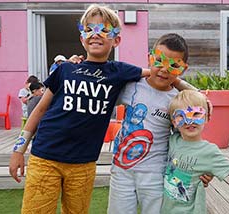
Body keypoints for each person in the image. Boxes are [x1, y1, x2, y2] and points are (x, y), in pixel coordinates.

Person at [9, 4, 153, 213]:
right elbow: (39, 110)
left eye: (104, 30)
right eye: (89, 30)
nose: (96, 35)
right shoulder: (65, 68)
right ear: (82, 38)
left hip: (83, 163)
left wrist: (191, 91)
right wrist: (18, 151)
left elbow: (158, 73)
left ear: (117, 40)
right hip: (45, 157)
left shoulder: (119, 71)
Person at [108, 33, 211, 214]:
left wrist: (199, 166)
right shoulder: (131, 85)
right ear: (150, 58)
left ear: (183, 69)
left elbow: (188, 137)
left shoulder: (177, 100)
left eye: (174, 66)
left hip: (155, 173)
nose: (164, 69)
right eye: (159, 61)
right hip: (121, 170)